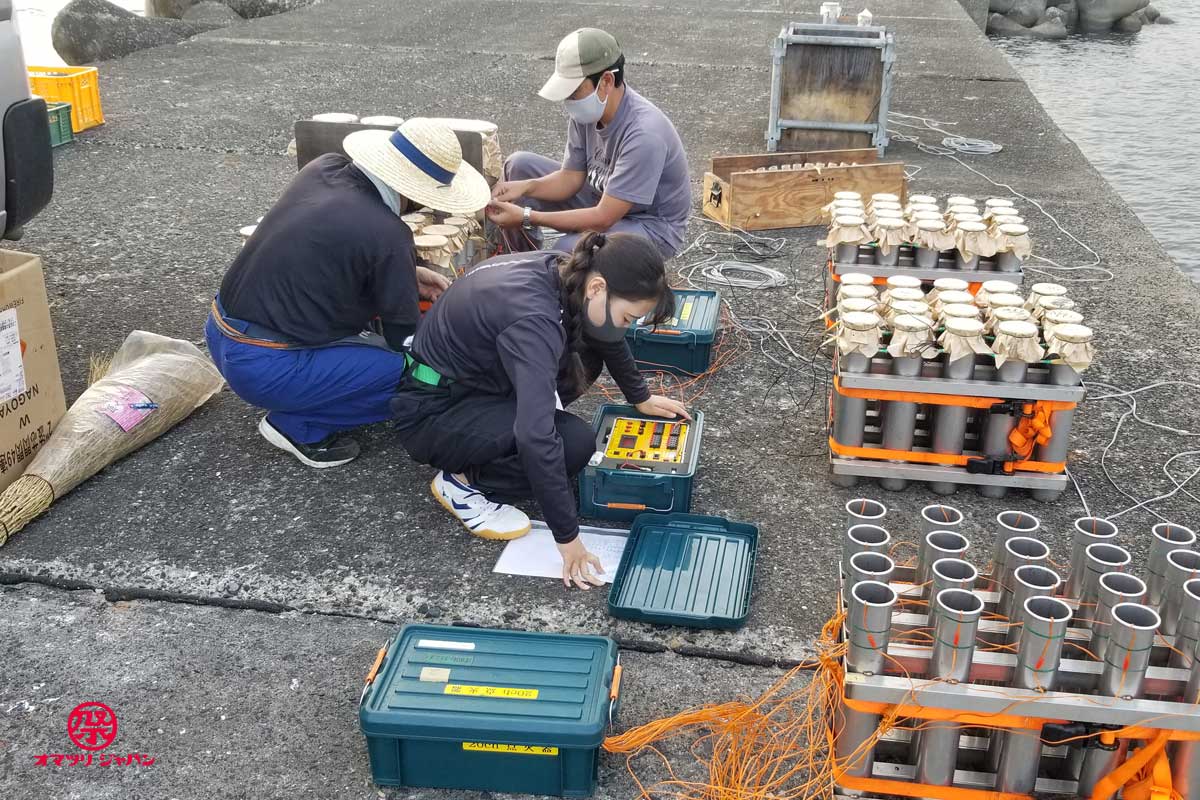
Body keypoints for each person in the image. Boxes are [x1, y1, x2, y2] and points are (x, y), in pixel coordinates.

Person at [390, 232, 691, 589]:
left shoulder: (566, 271)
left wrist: (639, 395)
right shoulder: (534, 319)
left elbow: (605, 332)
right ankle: (461, 483)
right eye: (628, 317)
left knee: (585, 352)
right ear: (597, 287)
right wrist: (569, 539)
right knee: (570, 446)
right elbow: (536, 437)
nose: (626, 326)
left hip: (471, 384)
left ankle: (491, 441)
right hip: (432, 413)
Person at [205, 118, 490, 468]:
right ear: (413, 190)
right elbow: (406, 339)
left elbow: (328, 252)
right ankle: (299, 425)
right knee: (420, 377)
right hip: (267, 365)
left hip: (220, 333)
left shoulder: (323, 168)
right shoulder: (388, 234)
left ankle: (307, 391)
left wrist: (405, 273)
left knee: (380, 354)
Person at [486, 28, 691, 260]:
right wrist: (526, 187)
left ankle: (545, 273)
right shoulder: (588, 112)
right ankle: (518, 263)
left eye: (574, 91)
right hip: (604, 198)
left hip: (650, 226)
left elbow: (603, 218)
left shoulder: (644, 134)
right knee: (519, 166)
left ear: (606, 81)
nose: (569, 101)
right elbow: (571, 178)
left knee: (568, 250)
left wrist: (527, 216)